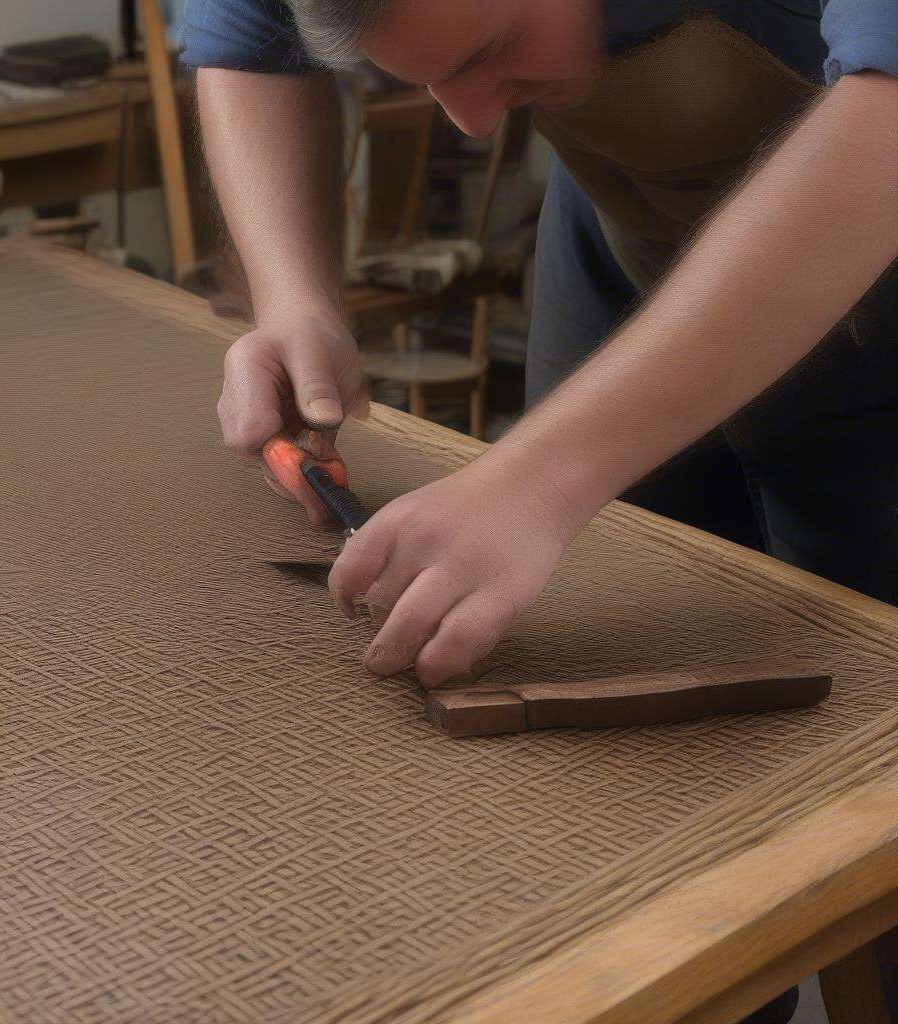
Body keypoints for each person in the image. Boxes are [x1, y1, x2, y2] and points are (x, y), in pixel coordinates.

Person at [182, 5, 898, 1021]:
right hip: (631, 237)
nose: (471, 124)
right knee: (623, 778)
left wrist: (540, 480)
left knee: (871, 765)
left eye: (484, 55)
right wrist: (295, 299)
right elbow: (245, 39)